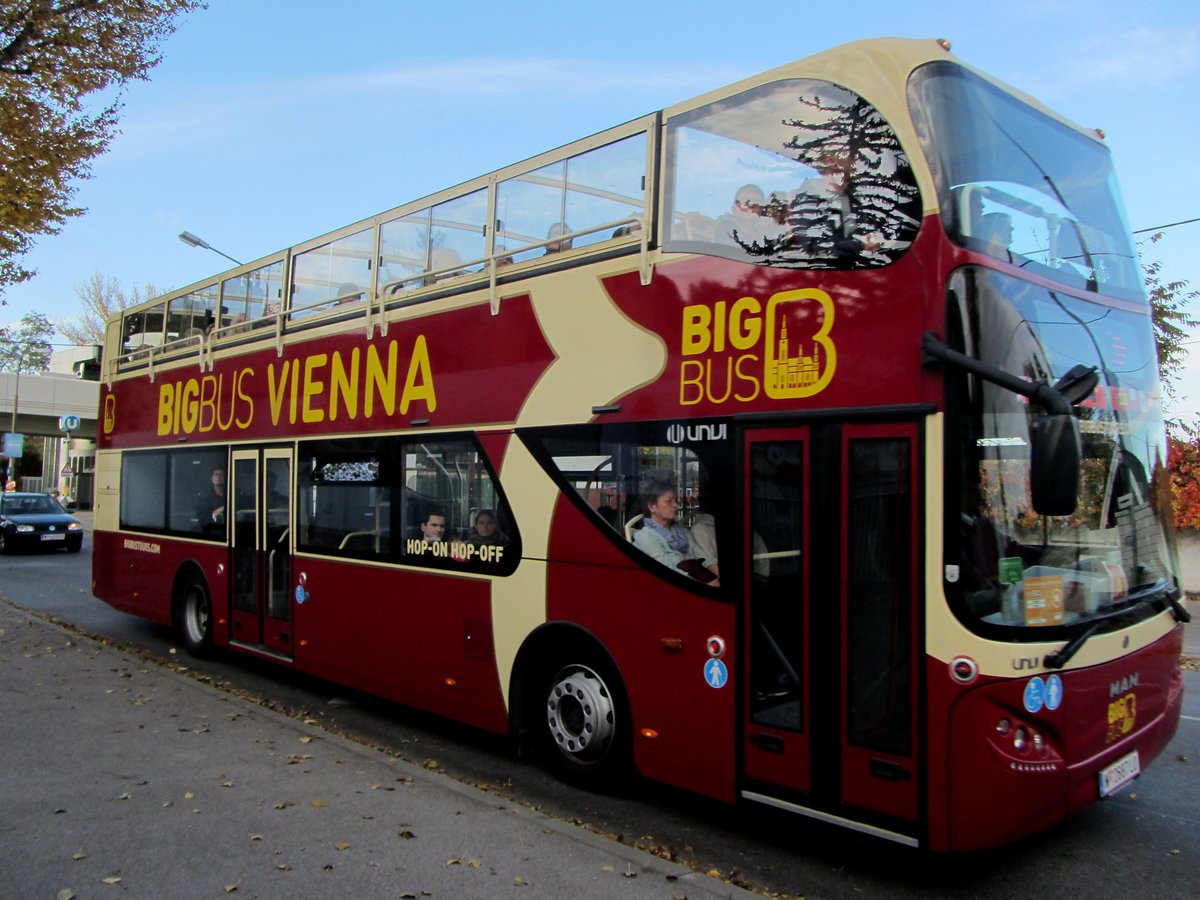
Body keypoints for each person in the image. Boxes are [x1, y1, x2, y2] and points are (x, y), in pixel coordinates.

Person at [632, 482, 719, 586]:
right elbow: (669, 570)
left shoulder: (681, 531)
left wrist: (715, 570)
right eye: (669, 501)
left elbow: (699, 552)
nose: (675, 505)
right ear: (652, 507)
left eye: (675, 500)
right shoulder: (645, 537)